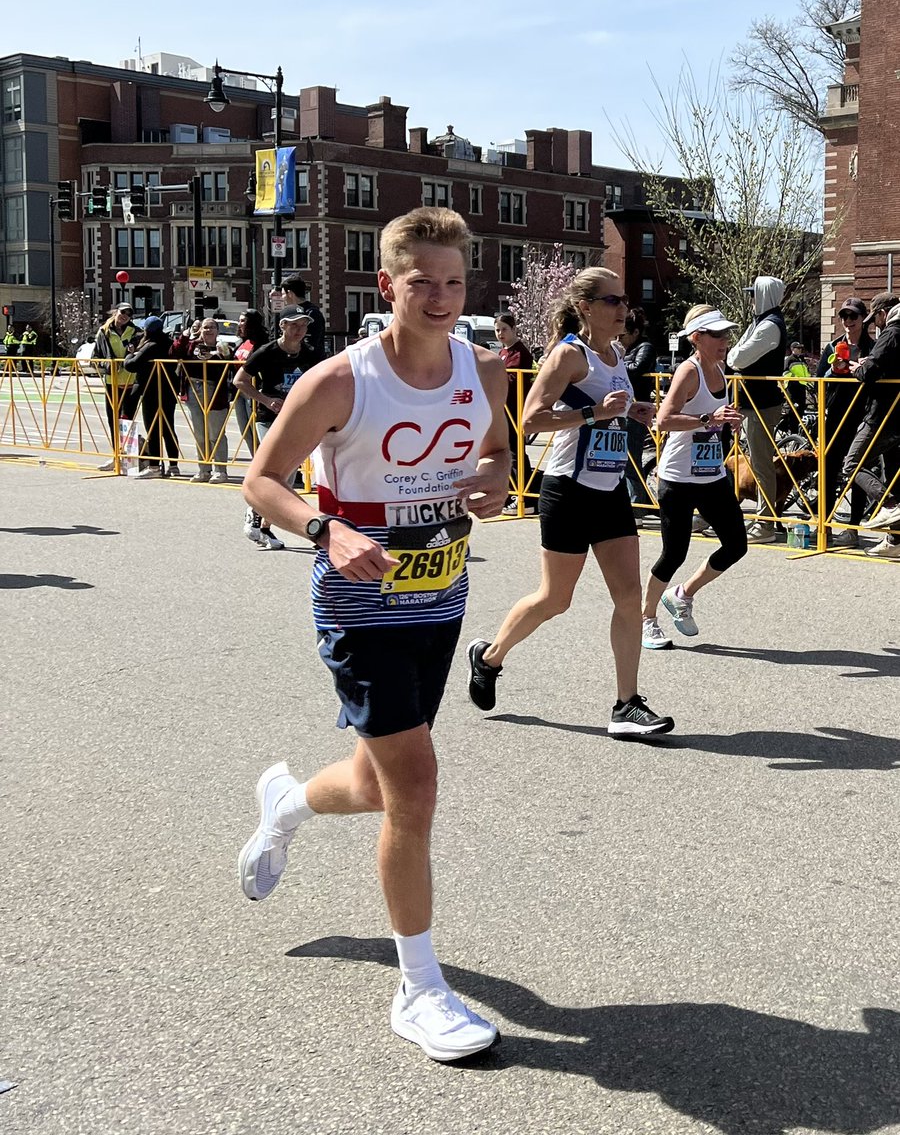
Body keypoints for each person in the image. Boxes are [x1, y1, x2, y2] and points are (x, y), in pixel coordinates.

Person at [236, 206, 509, 1062]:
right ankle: (419, 988)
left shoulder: (486, 368)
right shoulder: (338, 383)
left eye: (454, 283)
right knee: (416, 789)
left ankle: (286, 803)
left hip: (440, 598)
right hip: (358, 610)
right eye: (421, 282)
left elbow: (495, 455)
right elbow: (259, 481)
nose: (439, 298)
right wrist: (326, 530)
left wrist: (494, 486)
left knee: (376, 782)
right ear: (386, 284)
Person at [466, 267, 674, 737]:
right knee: (555, 599)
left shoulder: (616, 354)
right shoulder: (569, 355)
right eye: (613, 301)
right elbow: (530, 420)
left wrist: (632, 412)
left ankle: (626, 705)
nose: (624, 308)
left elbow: (609, 413)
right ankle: (490, 656)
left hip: (609, 491)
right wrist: (592, 413)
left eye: (624, 300)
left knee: (628, 598)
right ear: (585, 308)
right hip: (568, 491)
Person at [640, 306, 747, 651]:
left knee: (736, 544)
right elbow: (664, 420)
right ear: (696, 338)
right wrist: (707, 417)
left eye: (726, 334)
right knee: (674, 553)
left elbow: (712, 420)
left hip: (711, 474)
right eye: (717, 335)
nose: (724, 340)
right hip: (678, 477)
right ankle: (647, 618)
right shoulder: (689, 371)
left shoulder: (721, 370)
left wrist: (728, 421)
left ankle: (683, 594)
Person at [232, 306, 314, 549]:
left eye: (304, 325)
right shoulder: (266, 352)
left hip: (297, 419)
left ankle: (263, 524)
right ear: (282, 326)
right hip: (268, 418)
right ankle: (256, 515)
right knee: (274, 472)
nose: (300, 330)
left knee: (286, 477)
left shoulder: (309, 354)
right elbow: (239, 381)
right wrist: (266, 399)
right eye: (294, 325)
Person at [727, 276, 789, 543]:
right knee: (754, 462)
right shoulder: (760, 323)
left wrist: (735, 355)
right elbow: (733, 357)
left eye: (754, 294)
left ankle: (766, 523)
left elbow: (737, 358)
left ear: (764, 295)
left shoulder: (769, 326)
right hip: (750, 403)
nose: (751, 299)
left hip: (760, 404)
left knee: (761, 464)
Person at [815, 297, 880, 548]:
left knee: (857, 470)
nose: (848, 321)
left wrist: (860, 368)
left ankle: (853, 528)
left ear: (863, 320)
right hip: (835, 414)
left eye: (853, 316)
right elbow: (819, 380)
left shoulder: (872, 348)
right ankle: (826, 526)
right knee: (829, 470)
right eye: (844, 316)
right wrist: (833, 371)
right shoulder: (833, 347)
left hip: (861, 415)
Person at [845, 301, 900, 559]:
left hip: (882, 413)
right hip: (895, 415)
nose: (874, 326)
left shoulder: (892, 332)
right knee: (892, 471)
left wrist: (859, 368)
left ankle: (890, 504)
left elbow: (870, 371)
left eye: (874, 319)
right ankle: (895, 539)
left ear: (882, 313)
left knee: (852, 463)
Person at [172, 317, 232, 483]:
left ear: (217, 331)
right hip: (193, 389)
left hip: (215, 391)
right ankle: (203, 469)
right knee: (199, 433)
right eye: (205, 327)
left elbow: (230, 365)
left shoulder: (223, 346)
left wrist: (221, 355)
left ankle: (220, 471)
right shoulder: (192, 345)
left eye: (212, 327)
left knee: (216, 433)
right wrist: (185, 335)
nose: (208, 330)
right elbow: (174, 352)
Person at [122, 317, 181, 478]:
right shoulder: (168, 343)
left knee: (153, 429)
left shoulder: (150, 345)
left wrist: (129, 354)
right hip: (168, 391)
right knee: (169, 428)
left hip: (151, 391)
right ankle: (173, 466)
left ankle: (154, 467)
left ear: (147, 330)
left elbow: (131, 365)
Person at [495, 311, 539, 515]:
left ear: (513, 329)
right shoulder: (503, 352)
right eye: (497, 330)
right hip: (503, 411)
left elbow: (514, 382)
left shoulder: (520, 353)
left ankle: (524, 496)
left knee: (516, 452)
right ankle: (513, 492)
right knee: (508, 452)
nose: (500, 333)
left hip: (516, 409)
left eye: (504, 329)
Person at [619, 307, 657, 524]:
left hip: (638, 408)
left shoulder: (645, 347)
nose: (620, 339)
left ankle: (636, 506)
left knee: (631, 458)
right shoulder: (628, 349)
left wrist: (617, 362)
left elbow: (637, 368)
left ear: (634, 332)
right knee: (624, 457)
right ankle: (631, 502)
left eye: (623, 335)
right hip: (626, 407)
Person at [95, 304, 140, 472]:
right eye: (123, 312)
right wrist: (106, 364)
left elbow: (141, 351)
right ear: (115, 312)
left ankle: (128, 458)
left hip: (131, 380)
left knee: (126, 419)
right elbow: (96, 356)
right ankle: (116, 456)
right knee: (113, 419)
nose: (125, 316)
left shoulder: (136, 331)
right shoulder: (104, 331)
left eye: (129, 313)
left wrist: (133, 353)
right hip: (112, 381)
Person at [232, 310, 270, 459]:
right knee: (245, 430)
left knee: (256, 429)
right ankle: (256, 461)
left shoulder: (262, 343)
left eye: (243, 321)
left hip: (252, 388)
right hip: (239, 390)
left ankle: (264, 462)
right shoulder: (243, 342)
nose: (240, 324)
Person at [280, 274, 327, 366]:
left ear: (290, 293)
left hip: (311, 366)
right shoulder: (287, 313)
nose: (282, 298)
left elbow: (311, 343)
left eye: (283, 294)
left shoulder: (312, 313)